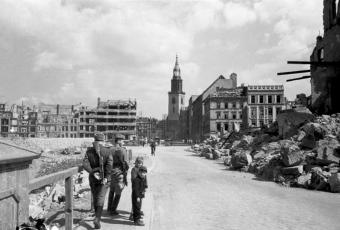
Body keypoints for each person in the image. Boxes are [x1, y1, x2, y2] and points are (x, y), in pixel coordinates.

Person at [82, 133, 112, 229]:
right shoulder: (107, 151)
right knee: (101, 198)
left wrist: (92, 172)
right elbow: (109, 165)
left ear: (94, 140)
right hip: (104, 178)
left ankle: (96, 216)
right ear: (103, 140)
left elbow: (85, 164)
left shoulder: (89, 151)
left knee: (95, 197)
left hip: (93, 178)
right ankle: (97, 219)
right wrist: (107, 177)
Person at [107, 133, 129, 215]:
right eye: (122, 140)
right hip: (119, 173)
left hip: (111, 172)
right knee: (119, 191)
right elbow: (126, 163)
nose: (123, 142)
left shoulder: (110, 149)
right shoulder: (123, 150)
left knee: (111, 190)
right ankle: (113, 210)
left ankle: (109, 208)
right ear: (119, 141)